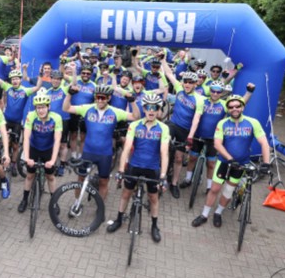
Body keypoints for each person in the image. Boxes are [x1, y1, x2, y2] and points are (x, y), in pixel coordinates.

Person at [192, 95, 270, 228]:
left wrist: (266, 163)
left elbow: (264, 143)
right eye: (231, 107)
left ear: (243, 107)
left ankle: (218, 213)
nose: (234, 109)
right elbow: (217, 144)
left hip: (241, 164)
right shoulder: (222, 123)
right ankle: (204, 215)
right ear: (227, 109)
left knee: (228, 191)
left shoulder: (253, 122)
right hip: (224, 161)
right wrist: (229, 158)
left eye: (237, 106)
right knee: (214, 189)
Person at [108, 93, 170, 242]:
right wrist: (121, 170)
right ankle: (119, 219)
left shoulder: (163, 128)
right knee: (126, 194)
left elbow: (164, 153)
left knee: (153, 198)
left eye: (155, 108)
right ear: (144, 108)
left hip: (152, 168)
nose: (151, 110)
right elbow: (126, 149)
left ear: (158, 110)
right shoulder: (134, 125)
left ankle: (154, 225)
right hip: (134, 166)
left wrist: (163, 176)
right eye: (148, 107)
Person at [63, 84, 138, 201]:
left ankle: (100, 207)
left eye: (103, 97)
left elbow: (135, 117)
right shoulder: (87, 108)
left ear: (108, 98)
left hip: (105, 154)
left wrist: (132, 101)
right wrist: (69, 94)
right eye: (97, 97)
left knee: (103, 182)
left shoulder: (115, 112)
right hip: (88, 152)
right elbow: (66, 108)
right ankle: (77, 203)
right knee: (80, 179)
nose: (99, 100)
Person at [161, 65, 204, 198]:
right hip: (173, 124)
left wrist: (190, 137)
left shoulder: (199, 99)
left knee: (179, 158)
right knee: (164, 145)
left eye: (191, 82)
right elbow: (169, 73)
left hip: (185, 130)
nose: (187, 84)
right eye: (185, 81)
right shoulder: (179, 89)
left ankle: (174, 184)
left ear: (195, 84)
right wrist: (163, 60)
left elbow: (196, 119)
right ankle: (160, 173)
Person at [17, 90, 63, 212]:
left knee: (50, 177)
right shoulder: (31, 116)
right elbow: (26, 138)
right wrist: (27, 158)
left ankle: (54, 201)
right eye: (38, 107)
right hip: (34, 148)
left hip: (48, 149)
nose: (40, 110)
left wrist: (52, 160)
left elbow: (57, 140)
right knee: (30, 175)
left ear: (48, 107)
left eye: (43, 107)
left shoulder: (56, 118)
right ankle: (24, 199)